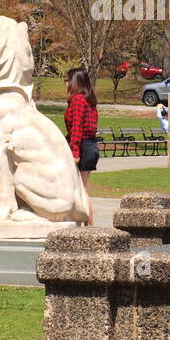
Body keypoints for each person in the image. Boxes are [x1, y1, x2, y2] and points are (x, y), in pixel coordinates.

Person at [64, 67, 99, 225]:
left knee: (82, 189)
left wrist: (75, 152)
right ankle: (87, 224)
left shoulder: (78, 100)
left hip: (83, 146)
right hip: (90, 145)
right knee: (82, 187)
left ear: (75, 82)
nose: (66, 83)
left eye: (68, 80)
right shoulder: (90, 101)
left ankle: (89, 226)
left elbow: (77, 128)